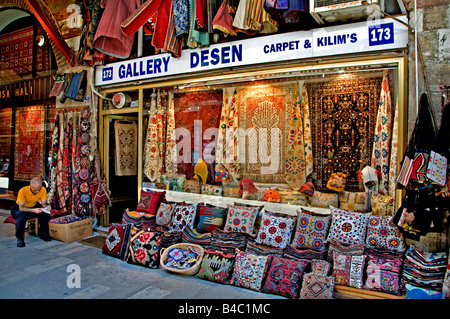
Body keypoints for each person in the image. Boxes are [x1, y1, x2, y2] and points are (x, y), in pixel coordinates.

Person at [10, 177, 52, 247]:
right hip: (19, 208)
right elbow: (21, 208)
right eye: (35, 190)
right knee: (21, 215)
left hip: (32, 206)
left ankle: (43, 233)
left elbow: (43, 204)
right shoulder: (23, 191)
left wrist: (47, 207)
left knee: (45, 213)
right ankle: (20, 238)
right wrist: (33, 210)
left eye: (39, 190)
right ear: (30, 186)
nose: (37, 192)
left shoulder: (43, 190)